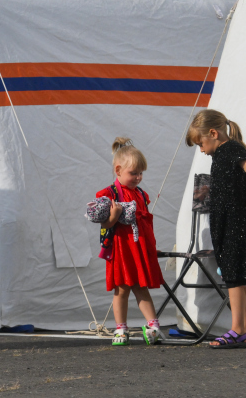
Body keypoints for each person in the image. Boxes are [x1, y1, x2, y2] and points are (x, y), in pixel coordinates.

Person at [186, 109, 246, 349]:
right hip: (227, 224)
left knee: (234, 278)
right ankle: (244, 331)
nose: (201, 149)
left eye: (201, 143)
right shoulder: (219, 155)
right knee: (236, 278)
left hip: (234, 224)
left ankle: (238, 329)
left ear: (213, 133)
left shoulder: (231, 149)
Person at [96, 138, 163, 346]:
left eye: (141, 173)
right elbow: (104, 224)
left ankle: (153, 326)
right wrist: (114, 216)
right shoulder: (110, 194)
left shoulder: (142, 194)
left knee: (141, 287)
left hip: (140, 248)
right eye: (134, 173)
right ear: (118, 170)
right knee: (122, 288)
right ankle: (120, 328)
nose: (138, 178)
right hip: (122, 250)